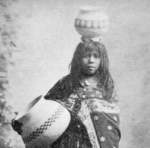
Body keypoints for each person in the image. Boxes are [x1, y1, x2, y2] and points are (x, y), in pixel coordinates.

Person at [44, 38, 121, 148]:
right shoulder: (67, 83)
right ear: (78, 59)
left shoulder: (107, 84)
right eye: (86, 56)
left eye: (96, 56)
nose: (91, 60)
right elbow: (46, 108)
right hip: (72, 141)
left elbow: (111, 123)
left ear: (102, 59)